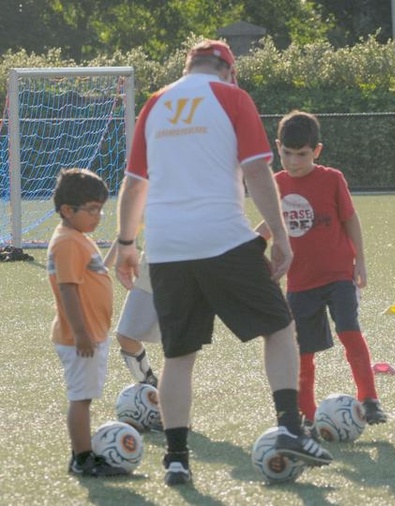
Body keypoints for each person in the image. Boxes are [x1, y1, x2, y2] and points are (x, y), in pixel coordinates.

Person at [115, 39, 332, 487]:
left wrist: (126, 243)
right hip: (223, 240)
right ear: (229, 71)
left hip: (168, 249)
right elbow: (256, 172)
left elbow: (135, 183)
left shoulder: (155, 103)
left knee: (178, 356)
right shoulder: (233, 97)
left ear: (187, 67)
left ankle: (177, 459)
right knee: (279, 327)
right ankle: (290, 428)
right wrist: (281, 237)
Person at [255, 111, 388, 428]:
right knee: (302, 351)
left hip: (338, 275)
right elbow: (270, 225)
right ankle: (308, 413)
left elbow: (350, 219)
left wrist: (360, 261)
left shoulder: (332, 179)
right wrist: (248, 245)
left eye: (302, 154)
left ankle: (369, 399)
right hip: (300, 282)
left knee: (349, 332)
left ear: (317, 150)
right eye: (287, 153)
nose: (294, 162)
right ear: (277, 147)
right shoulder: (277, 184)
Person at [48, 168, 127, 477]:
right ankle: (82, 459)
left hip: (91, 334)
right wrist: (81, 333)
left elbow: (93, 274)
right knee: (80, 399)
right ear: (68, 210)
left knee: (85, 396)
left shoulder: (77, 238)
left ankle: (83, 455)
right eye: (92, 210)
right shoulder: (67, 242)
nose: (98, 216)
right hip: (80, 338)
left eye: (100, 209)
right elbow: (67, 289)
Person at [104, 243, 159, 389]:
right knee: (126, 336)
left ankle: (158, 391)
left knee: (180, 348)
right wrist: (102, 270)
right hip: (153, 267)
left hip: (199, 261)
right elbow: (128, 231)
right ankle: (150, 384)